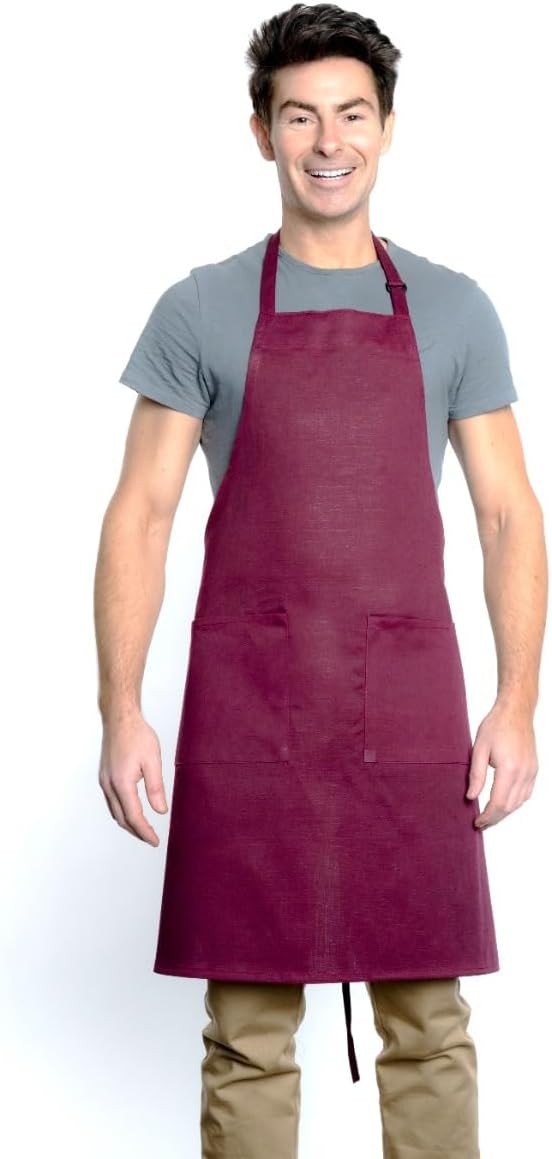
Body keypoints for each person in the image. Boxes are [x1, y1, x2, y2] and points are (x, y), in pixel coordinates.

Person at [93, 5, 547, 1157]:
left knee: (429, 1025)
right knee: (247, 1033)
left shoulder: (454, 308)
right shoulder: (199, 307)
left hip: (409, 706)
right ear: (262, 133)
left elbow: (507, 513)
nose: (328, 141)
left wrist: (516, 703)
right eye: (300, 116)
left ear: (387, 128)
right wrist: (120, 709)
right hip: (251, 706)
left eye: (351, 114)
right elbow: (141, 514)